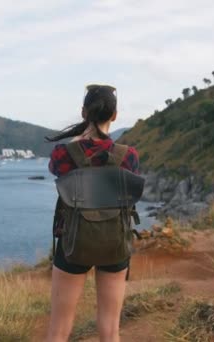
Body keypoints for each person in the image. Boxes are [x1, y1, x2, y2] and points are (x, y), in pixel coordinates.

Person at [44, 84, 140, 342]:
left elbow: (56, 168)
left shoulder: (64, 154)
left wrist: (77, 141)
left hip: (73, 241)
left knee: (59, 327)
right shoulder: (128, 156)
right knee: (110, 328)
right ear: (115, 115)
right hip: (115, 241)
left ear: (83, 112)